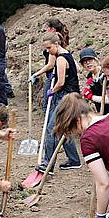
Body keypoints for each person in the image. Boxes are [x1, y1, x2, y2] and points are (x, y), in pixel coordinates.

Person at [37, 32, 82, 172]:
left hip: (65, 97)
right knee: (65, 129)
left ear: (56, 44)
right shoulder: (67, 55)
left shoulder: (61, 59)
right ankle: (74, 160)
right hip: (71, 95)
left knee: (52, 129)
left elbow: (61, 82)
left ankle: (47, 165)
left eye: (49, 48)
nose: (47, 51)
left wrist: (52, 91)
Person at [29, 18, 70, 110]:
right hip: (55, 74)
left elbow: (51, 64)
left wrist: (36, 74)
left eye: (48, 28)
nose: (46, 30)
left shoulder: (54, 42)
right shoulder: (59, 39)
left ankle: (49, 123)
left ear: (52, 29)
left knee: (48, 105)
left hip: (53, 76)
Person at [78, 47, 109, 112]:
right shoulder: (90, 76)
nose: (88, 63)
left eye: (90, 60)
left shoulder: (105, 75)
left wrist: (91, 97)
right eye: (85, 62)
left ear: (96, 60)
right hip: (100, 111)